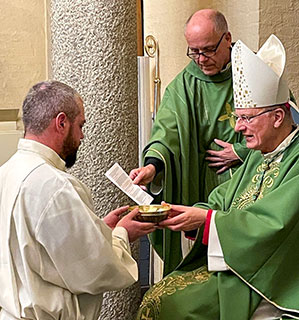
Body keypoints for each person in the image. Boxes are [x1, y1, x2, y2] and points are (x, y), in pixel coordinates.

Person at [136, 34, 299, 320]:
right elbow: (222, 199)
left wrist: (208, 222)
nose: (238, 127)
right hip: (236, 262)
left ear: (276, 117)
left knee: (168, 306)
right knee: (157, 297)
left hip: (269, 278)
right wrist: (191, 215)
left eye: (247, 118)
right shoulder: (262, 152)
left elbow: (273, 223)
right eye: (238, 117)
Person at [0, 81, 156, 320]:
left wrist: (99, 230)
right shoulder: (55, 186)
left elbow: (40, 250)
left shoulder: (6, 172)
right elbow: (95, 270)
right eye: (81, 125)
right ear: (61, 122)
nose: (82, 135)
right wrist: (122, 233)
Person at [130, 9, 250, 275]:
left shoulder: (254, 73)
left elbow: (285, 129)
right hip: (194, 185)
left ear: (227, 38)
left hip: (243, 184)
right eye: (193, 51)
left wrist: (241, 151)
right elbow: (165, 135)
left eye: (207, 50)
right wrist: (152, 168)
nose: (201, 59)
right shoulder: (183, 86)